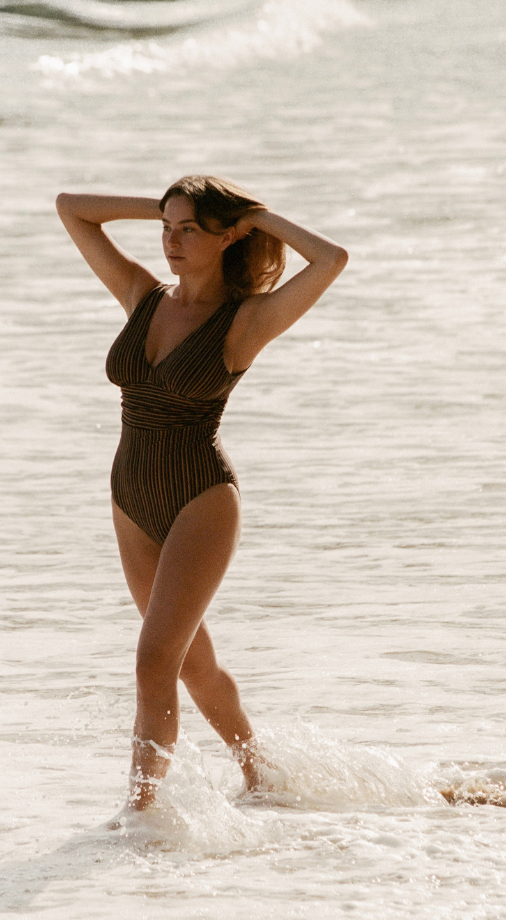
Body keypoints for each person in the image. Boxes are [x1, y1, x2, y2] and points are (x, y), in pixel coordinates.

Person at [56, 175, 347, 812]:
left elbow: (331, 259)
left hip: (201, 500)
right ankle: (261, 772)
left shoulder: (246, 321)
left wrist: (255, 217)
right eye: (168, 228)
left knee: (153, 660)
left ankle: (140, 813)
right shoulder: (142, 296)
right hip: (131, 496)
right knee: (191, 664)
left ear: (226, 238)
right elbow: (71, 209)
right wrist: (166, 208)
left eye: (189, 230)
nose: (171, 241)